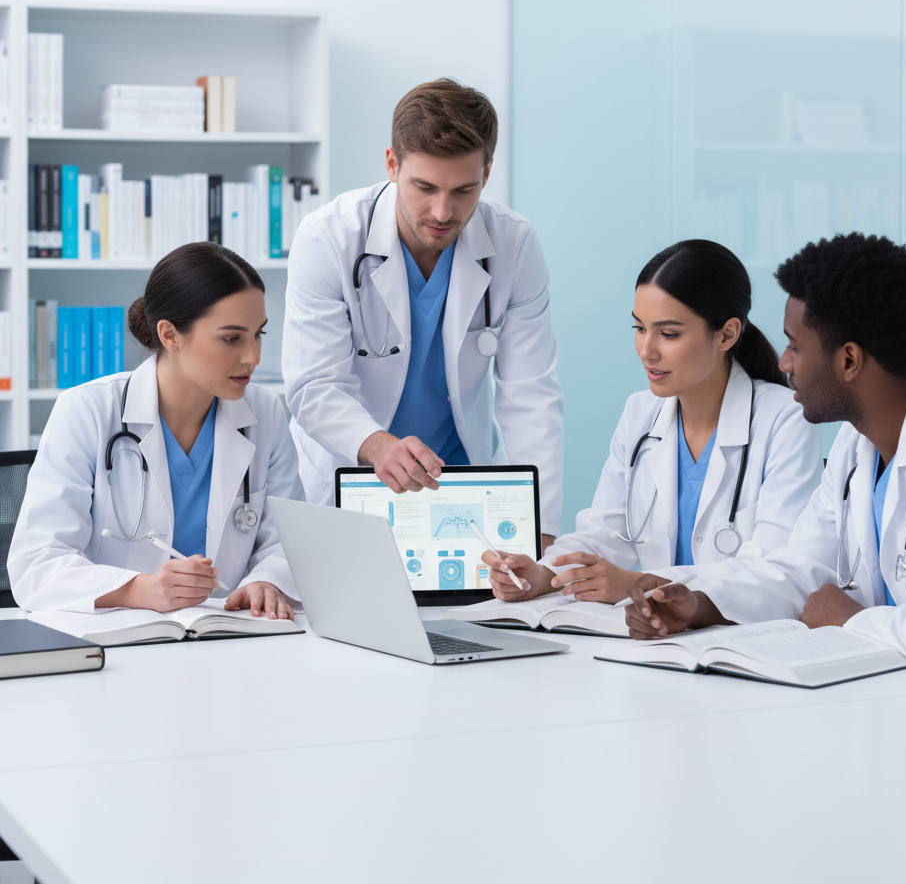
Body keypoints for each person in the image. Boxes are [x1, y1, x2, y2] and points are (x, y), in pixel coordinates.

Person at [624, 233, 906, 673]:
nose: (783, 363)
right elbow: (799, 571)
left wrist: (850, 621)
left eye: (795, 345)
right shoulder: (858, 446)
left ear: (848, 361)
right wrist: (699, 605)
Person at [282, 78, 564, 544]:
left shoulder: (514, 244)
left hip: (459, 482)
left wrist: (541, 530)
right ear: (392, 164)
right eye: (424, 186)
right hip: (349, 471)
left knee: (468, 614)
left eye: (464, 190)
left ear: (487, 173)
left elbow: (530, 396)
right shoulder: (328, 237)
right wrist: (379, 447)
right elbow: (314, 385)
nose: (442, 211)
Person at [483, 239, 822, 604]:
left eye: (668, 334)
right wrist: (543, 574)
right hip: (649, 633)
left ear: (726, 334)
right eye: (640, 328)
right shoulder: (640, 413)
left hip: (733, 636)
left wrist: (641, 582)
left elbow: (775, 567)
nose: (647, 350)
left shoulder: (785, 419)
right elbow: (604, 533)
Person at [9, 242, 305, 618]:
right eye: (232, 338)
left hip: (229, 637)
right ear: (170, 335)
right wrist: (138, 589)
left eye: (258, 334)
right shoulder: (88, 411)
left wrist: (269, 580)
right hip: (119, 643)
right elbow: (36, 563)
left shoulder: (265, 414)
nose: (253, 356)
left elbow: (287, 544)